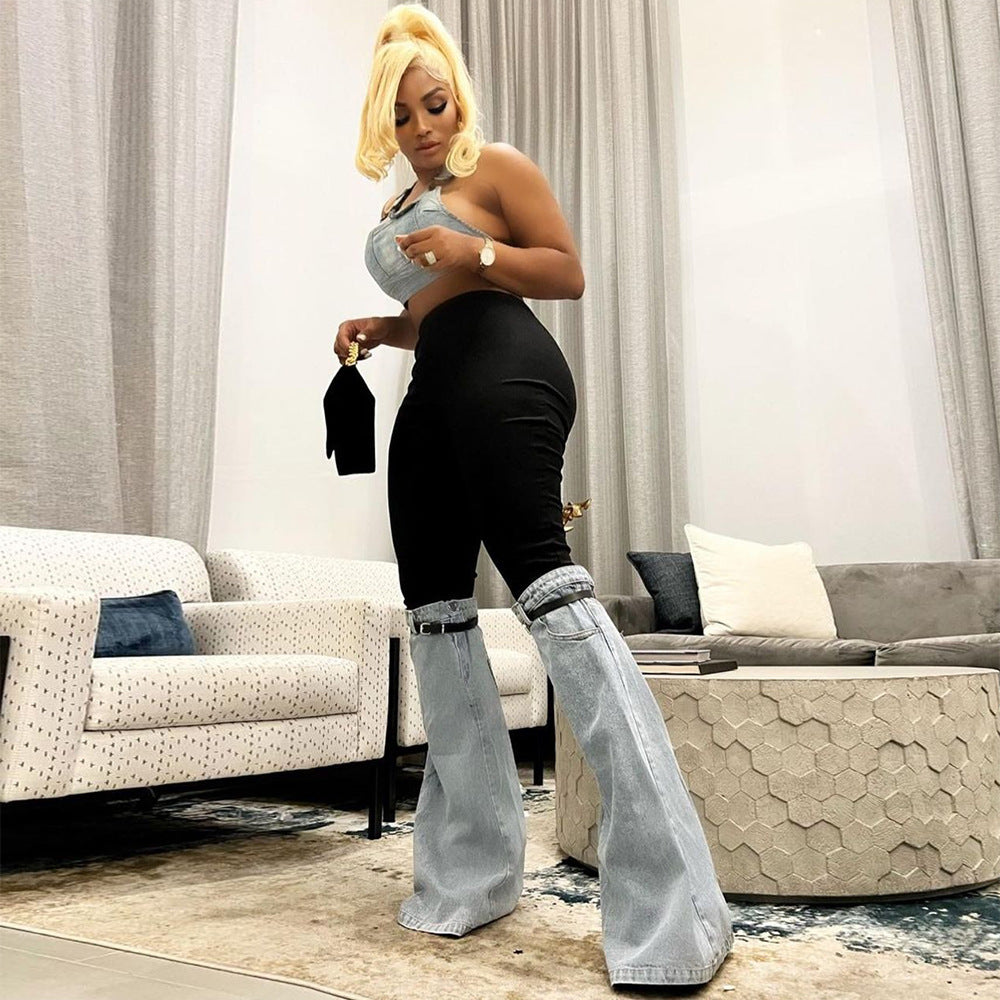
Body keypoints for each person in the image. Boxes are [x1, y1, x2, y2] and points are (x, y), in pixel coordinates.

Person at [335, 3, 734, 989]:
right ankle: (468, 878)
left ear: (456, 99)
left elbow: (565, 272)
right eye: (402, 115)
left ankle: (674, 914)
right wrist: (381, 331)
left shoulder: (497, 168)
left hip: (509, 370)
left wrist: (470, 250)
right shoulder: (398, 205)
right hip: (432, 386)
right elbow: (433, 311)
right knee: (435, 612)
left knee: (547, 593)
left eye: (434, 105)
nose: (423, 127)